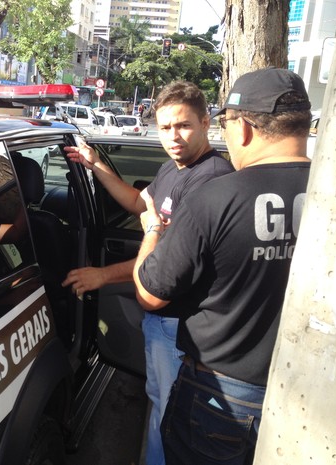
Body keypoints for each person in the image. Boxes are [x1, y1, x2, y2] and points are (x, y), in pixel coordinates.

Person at [132, 67, 312, 465]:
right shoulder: (326, 197)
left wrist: (151, 231)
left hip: (222, 396)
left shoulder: (215, 198)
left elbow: (150, 293)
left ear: (243, 128)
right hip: (310, 393)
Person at [63, 81, 234, 465]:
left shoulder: (210, 179)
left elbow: (166, 257)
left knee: (170, 416)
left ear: (207, 123)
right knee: (159, 404)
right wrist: (97, 167)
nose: (173, 136)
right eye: (165, 127)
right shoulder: (173, 169)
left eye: (184, 125)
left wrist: (103, 275)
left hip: (181, 322)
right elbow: (138, 203)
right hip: (165, 321)